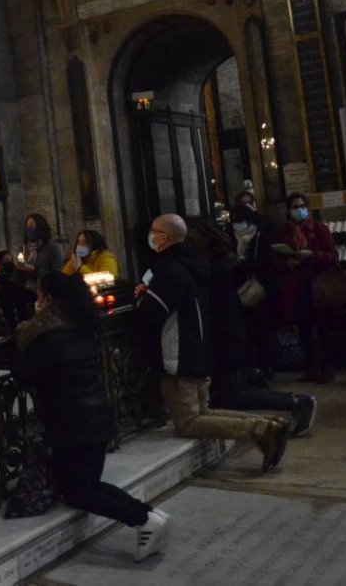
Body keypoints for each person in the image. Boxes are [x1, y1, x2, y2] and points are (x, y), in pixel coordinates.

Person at [13, 272, 169, 562]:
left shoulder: (47, 336)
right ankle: (149, 515)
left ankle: (144, 519)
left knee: (81, 492)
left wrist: (22, 338)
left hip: (72, 425)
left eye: (39, 295)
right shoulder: (81, 326)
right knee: (88, 484)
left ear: (48, 300)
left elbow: (25, 373)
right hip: (93, 419)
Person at [136, 214, 289, 474]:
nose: (150, 236)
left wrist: (143, 297)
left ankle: (260, 429)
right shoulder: (195, 263)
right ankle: (269, 423)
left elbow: (151, 314)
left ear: (164, 237)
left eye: (153, 231)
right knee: (205, 411)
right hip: (201, 348)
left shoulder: (169, 268)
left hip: (179, 355)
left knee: (188, 422)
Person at [189, 220, 317, 437]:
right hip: (229, 333)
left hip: (225, 335)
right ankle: (289, 407)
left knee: (231, 393)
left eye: (194, 238)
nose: (191, 243)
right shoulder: (219, 262)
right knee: (231, 390)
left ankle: (296, 403)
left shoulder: (216, 267)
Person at [274, 192, 339, 383]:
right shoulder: (284, 233)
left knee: (323, 328)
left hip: (317, 284)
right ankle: (310, 367)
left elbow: (332, 255)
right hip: (296, 286)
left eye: (302, 206)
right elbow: (275, 260)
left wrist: (312, 255)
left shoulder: (319, 229)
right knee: (303, 329)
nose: (299, 210)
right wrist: (288, 263)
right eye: (294, 207)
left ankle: (327, 368)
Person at [230, 203, 278, 379]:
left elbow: (264, 264)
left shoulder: (258, 238)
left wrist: (240, 264)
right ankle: (255, 366)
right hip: (244, 290)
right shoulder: (235, 238)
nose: (236, 224)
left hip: (259, 290)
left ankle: (265, 365)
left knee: (261, 330)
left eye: (239, 220)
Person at [16, 213, 64, 290]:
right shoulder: (23, 248)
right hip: (27, 291)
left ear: (40, 227)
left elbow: (57, 275)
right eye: (27, 226)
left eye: (31, 226)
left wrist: (35, 270)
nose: (28, 229)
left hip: (45, 291)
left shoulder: (52, 247)